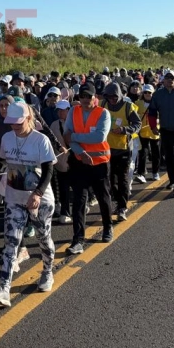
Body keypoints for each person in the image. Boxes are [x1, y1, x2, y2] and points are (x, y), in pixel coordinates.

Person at [0, 101, 57, 308]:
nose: (14, 127)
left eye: (18, 123)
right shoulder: (6, 138)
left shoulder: (41, 140)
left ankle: (47, 271)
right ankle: (4, 288)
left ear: (28, 119)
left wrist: (37, 193)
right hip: (14, 198)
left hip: (39, 200)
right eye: (11, 123)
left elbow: (48, 171)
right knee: (11, 242)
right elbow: (3, 163)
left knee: (43, 237)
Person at [63, 83, 113, 255]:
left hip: (99, 163)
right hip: (79, 163)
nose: (85, 100)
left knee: (103, 197)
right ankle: (78, 240)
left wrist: (75, 137)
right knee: (78, 201)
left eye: (88, 96)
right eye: (82, 96)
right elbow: (66, 135)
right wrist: (81, 152)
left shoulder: (103, 113)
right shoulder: (73, 111)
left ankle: (107, 227)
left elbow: (99, 136)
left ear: (95, 97)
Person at [101, 83, 141, 221]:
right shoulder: (103, 104)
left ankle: (122, 207)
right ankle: (117, 202)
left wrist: (124, 130)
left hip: (123, 149)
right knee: (110, 179)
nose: (112, 99)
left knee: (123, 179)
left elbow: (137, 124)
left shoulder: (128, 106)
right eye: (109, 97)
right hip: (106, 148)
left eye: (114, 97)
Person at [134, 84, 161, 182]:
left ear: (153, 93)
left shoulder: (157, 103)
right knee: (143, 153)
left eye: (149, 92)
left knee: (155, 153)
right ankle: (141, 174)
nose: (147, 94)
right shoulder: (137, 103)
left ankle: (155, 172)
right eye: (145, 92)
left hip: (154, 131)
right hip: (143, 132)